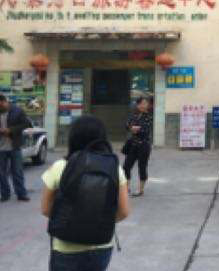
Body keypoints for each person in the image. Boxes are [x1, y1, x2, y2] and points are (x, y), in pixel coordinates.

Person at [41, 115, 130, 271]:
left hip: (65, 246)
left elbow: (46, 209)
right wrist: (97, 222)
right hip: (101, 245)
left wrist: (71, 222)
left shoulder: (60, 166)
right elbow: (123, 211)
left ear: (73, 138)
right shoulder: (114, 168)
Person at [0, 93, 32, 202]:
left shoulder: (17, 111)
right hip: (1, 148)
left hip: (14, 146)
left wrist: (11, 130)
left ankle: (21, 194)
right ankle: (5, 194)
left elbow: (27, 124)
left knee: (17, 171)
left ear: (4, 102)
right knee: (1, 173)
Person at [123, 97, 153, 197]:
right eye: (143, 103)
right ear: (138, 105)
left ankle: (141, 190)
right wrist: (131, 128)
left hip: (144, 145)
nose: (145, 105)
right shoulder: (134, 115)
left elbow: (146, 130)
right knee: (126, 166)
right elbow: (127, 124)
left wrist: (137, 130)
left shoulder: (148, 116)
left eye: (146, 103)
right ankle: (127, 188)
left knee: (142, 167)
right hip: (133, 145)